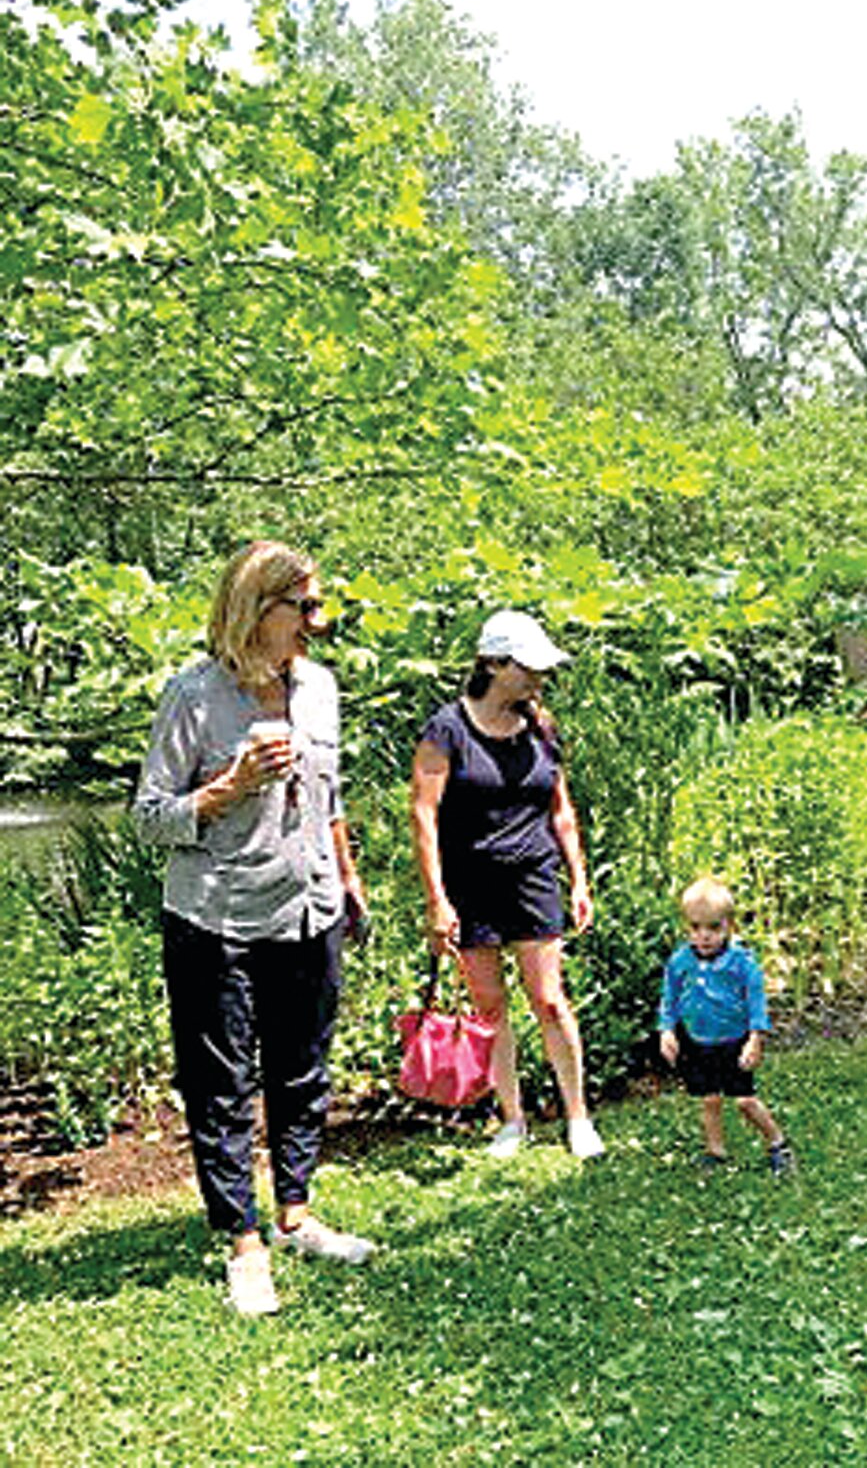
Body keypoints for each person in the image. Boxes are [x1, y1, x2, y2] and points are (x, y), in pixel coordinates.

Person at [134, 541, 373, 1317]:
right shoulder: (194, 697)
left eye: (317, 604)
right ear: (255, 609)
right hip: (219, 916)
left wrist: (349, 879)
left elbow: (330, 798)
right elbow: (148, 818)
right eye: (303, 606)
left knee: (304, 1068)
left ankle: (296, 1213)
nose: (319, 620)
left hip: (310, 906)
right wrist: (228, 788)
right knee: (223, 1081)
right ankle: (243, 1240)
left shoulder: (322, 690)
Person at [410, 609, 603, 1160]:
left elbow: (561, 811)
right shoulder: (447, 729)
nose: (538, 678)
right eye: (528, 667)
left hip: (533, 878)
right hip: (471, 884)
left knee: (549, 1000)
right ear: (493, 664)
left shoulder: (542, 726)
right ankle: (512, 1119)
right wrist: (437, 899)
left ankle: (578, 1117)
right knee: (490, 1007)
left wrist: (579, 878)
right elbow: (424, 815)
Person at [657, 877, 794, 1175]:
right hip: (698, 1041)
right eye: (695, 928)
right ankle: (715, 1151)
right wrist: (667, 1030)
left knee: (745, 1100)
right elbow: (669, 998)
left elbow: (757, 1004)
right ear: (686, 927)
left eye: (713, 928)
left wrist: (755, 1039)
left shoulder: (742, 963)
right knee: (710, 1098)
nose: (704, 936)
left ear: (730, 926)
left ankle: (777, 1142)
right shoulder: (680, 961)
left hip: (734, 1041)